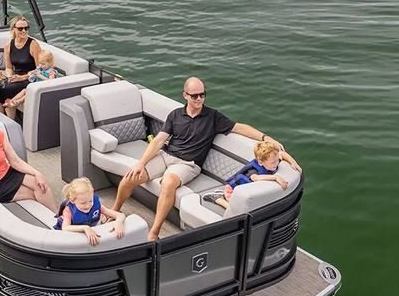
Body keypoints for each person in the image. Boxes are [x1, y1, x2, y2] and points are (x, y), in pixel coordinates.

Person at [112, 76, 286, 241]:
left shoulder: (213, 117)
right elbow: (158, 141)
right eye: (194, 96)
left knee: (168, 183)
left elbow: (239, 128)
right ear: (185, 95)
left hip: (188, 164)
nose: (199, 99)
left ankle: (154, 232)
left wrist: (266, 138)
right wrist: (140, 163)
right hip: (166, 155)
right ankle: (114, 211)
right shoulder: (175, 115)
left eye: (202, 95)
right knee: (130, 177)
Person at [203, 140, 301, 209]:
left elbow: (282, 154)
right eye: (273, 163)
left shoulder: (272, 160)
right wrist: (275, 177)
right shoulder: (254, 170)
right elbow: (255, 178)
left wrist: (294, 163)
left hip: (247, 190)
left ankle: (221, 195)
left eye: (276, 161)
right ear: (261, 162)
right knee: (234, 208)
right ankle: (217, 198)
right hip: (233, 189)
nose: (276, 164)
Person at [53, 177, 127, 246]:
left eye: (90, 201)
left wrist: (119, 222)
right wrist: (85, 228)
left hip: (89, 231)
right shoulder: (68, 210)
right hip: (71, 236)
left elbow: (120, 215)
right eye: (83, 203)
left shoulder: (95, 205)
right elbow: (65, 228)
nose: (88, 206)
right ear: (72, 201)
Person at [0, 15, 42, 107]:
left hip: (30, 79)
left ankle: (9, 114)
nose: (24, 31)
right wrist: (9, 76)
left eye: (26, 28)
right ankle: (2, 113)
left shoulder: (33, 44)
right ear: (13, 29)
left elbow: (40, 69)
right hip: (16, 77)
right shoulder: (8, 46)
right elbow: (8, 67)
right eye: (20, 29)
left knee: (6, 89)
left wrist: (22, 77)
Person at [2, 50, 58, 120]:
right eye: (40, 63)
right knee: (24, 90)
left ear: (50, 63)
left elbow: (51, 81)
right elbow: (34, 71)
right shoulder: (41, 68)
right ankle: (12, 101)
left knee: (28, 93)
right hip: (36, 88)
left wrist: (40, 76)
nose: (41, 66)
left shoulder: (51, 72)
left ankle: (18, 101)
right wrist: (31, 73)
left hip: (43, 91)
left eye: (43, 64)